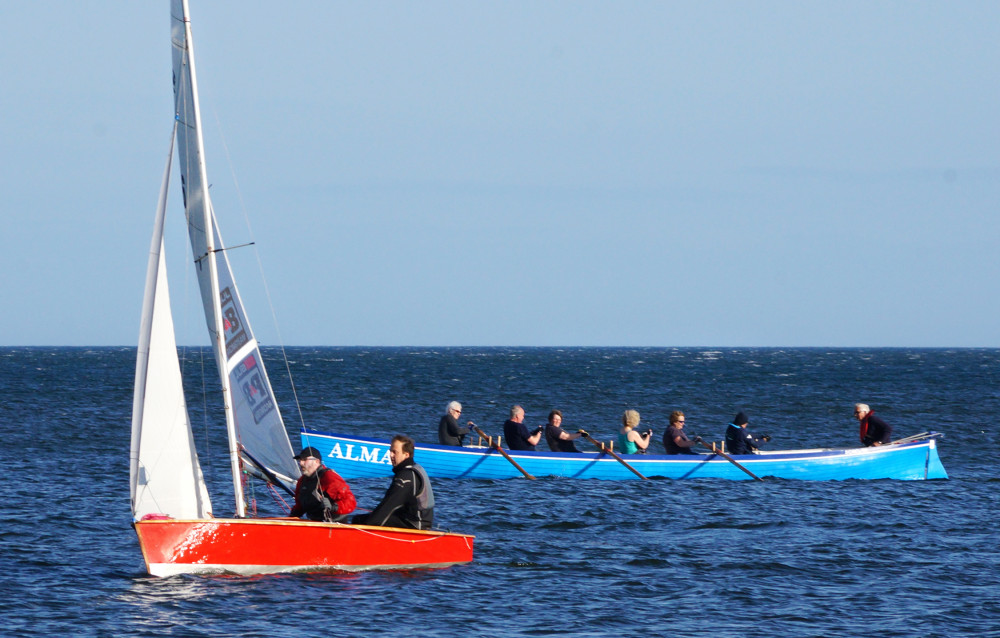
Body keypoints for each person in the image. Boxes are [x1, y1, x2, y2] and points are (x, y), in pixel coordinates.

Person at [351, 435, 434, 529]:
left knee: (359, 520)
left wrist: (366, 526)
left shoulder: (406, 476)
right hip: (418, 522)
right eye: (390, 451)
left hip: (414, 526)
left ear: (406, 455)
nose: (390, 455)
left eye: (395, 452)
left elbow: (389, 506)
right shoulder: (414, 468)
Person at [288, 446, 356, 522]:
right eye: (300, 460)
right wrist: (290, 519)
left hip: (335, 525)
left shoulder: (329, 477)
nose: (300, 463)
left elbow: (350, 502)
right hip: (315, 524)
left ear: (316, 461)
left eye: (304, 460)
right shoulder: (302, 481)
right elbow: (299, 506)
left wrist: (333, 507)